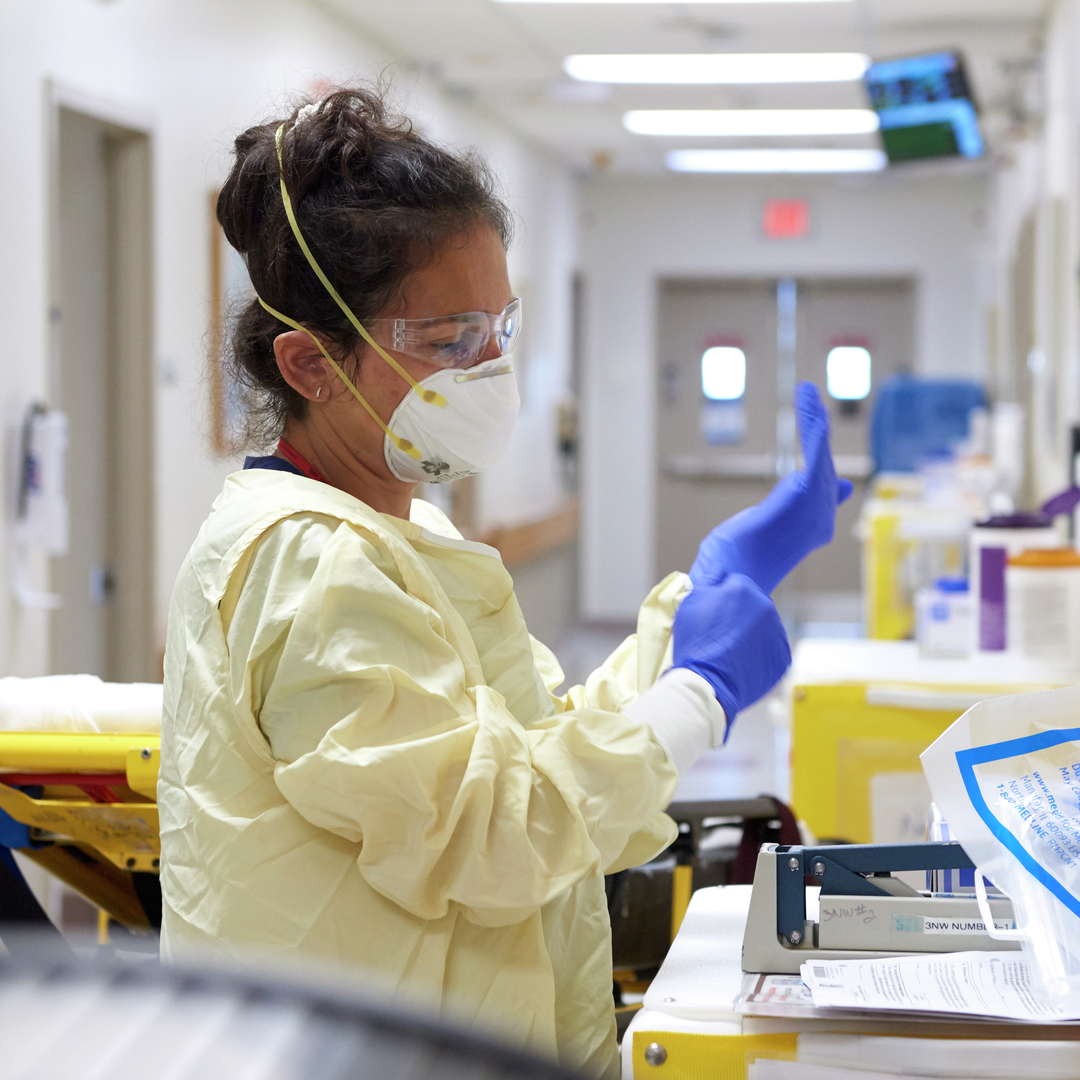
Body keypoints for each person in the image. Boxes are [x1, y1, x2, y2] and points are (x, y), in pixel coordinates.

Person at [158, 86, 851, 1078]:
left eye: (500, 328)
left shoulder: (394, 530)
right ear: (311, 365)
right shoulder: (309, 566)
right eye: (448, 342)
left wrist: (693, 603)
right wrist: (699, 696)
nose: (489, 369)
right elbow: (497, 837)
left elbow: (536, 759)